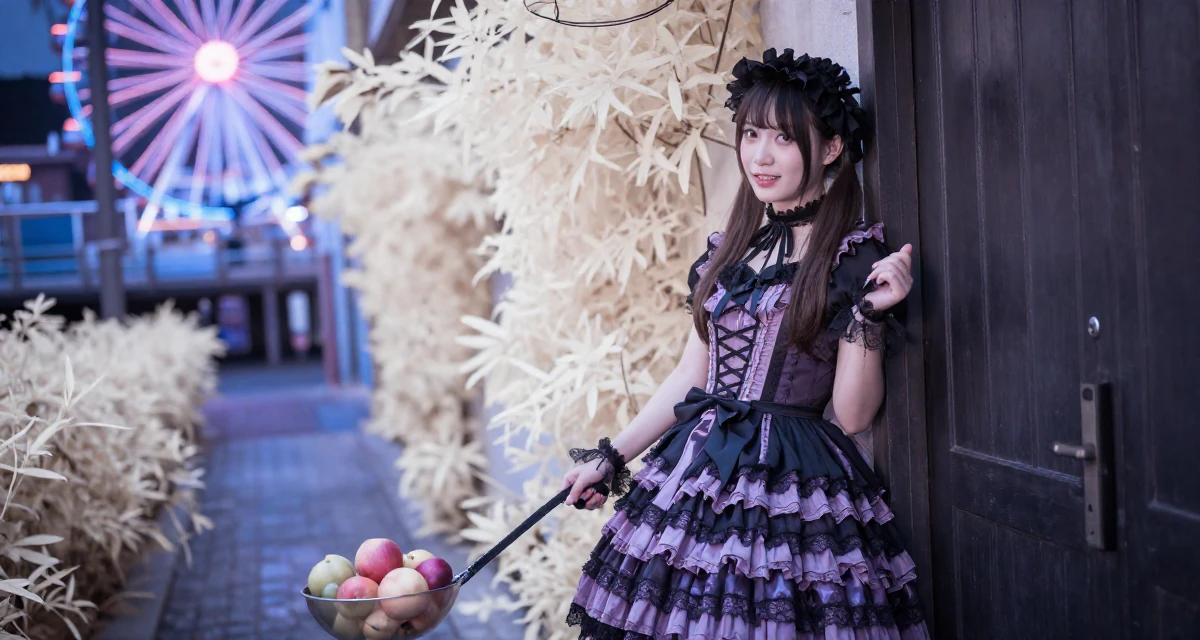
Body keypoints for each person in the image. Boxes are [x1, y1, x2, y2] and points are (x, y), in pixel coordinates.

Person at [561, 49, 930, 639]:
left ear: (830, 148)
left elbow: (855, 414)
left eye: (784, 138)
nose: (760, 154)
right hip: (698, 469)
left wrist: (867, 315)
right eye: (751, 133)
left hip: (791, 486)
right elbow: (692, 376)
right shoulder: (729, 251)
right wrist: (612, 458)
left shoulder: (851, 256)